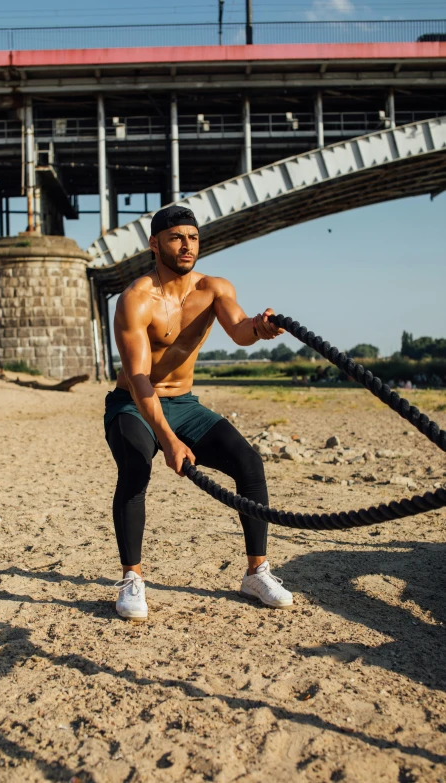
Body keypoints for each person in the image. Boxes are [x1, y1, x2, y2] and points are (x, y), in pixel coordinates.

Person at [104, 205, 294, 621]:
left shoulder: (213, 288)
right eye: (176, 237)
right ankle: (131, 578)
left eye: (192, 236)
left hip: (184, 403)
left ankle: (256, 572)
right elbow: (139, 380)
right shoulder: (135, 299)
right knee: (137, 465)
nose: (186, 244)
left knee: (249, 463)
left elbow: (241, 330)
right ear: (154, 244)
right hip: (132, 403)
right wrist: (168, 440)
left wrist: (260, 329)